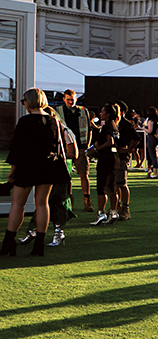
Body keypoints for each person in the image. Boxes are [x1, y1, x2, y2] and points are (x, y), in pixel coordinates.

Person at [1, 88, 68, 257]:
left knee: (17, 203)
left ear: (28, 101)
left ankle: (9, 242)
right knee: (42, 203)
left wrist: (12, 170)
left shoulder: (25, 121)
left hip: (27, 166)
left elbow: (18, 148)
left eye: (24, 100)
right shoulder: (53, 121)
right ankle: (39, 244)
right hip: (47, 166)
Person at [56, 88, 94, 211]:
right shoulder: (58, 111)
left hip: (81, 147)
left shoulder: (84, 111)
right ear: (64, 99)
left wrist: (87, 145)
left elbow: (89, 129)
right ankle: (69, 202)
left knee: (84, 175)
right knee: (67, 177)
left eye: (72, 100)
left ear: (76, 99)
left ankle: (87, 201)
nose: (70, 102)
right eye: (68, 100)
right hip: (65, 148)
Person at [86, 103, 120, 225]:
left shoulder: (107, 126)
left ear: (108, 114)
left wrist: (96, 150)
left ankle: (101, 213)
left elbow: (109, 141)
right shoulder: (114, 126)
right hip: (115, 158)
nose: (100, 114)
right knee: (112, 187)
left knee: (102, 187)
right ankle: (114, 211)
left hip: (106, 159)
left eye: (102, 111)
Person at [114, 101, 139, 220]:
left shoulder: (125, 124)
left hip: (122, 157)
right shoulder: (112, 123)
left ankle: (125, 208)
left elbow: (136, 138)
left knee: (122, 183)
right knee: (114, 184)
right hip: (112, 156)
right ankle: (116, 207)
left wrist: (128, 150)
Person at [144, 107, 158, 179]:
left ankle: (155, 173)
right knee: (157, 156)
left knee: (153, 156)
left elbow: (150, 131)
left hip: (152, 138)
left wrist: (144, 128)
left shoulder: (150, 121)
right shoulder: (157, 121)